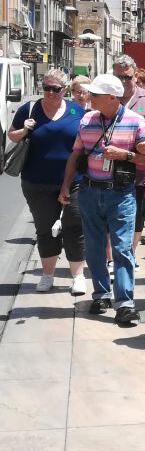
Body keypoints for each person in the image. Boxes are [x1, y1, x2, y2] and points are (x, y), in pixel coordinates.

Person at [59, 74, 145, 326]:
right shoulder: (88, 119)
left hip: (120, 193)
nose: (89, 98)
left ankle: (125, 303)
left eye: (95, 94)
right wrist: (66, 186)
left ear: (112, 97)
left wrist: (125, 154)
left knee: (122, 248)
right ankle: (101, 294)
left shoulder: (136, 122)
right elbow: (75, 155)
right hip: (90, 191)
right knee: (94, 245)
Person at [8, 68, 86, 294]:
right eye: (46, 88)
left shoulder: (76, 110)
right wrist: (25, 129)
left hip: (73, 181)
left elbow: (86, 140)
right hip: (36, 182)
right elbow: (12, 135)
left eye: (55, 89)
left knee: (74, 227)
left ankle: (78, 276)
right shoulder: (29, 108)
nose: (50, 93)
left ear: (64, 90)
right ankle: (47, 275)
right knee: (44, 229)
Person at [113, 55, 145, 255]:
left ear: (135, 75)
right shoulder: (107, 96)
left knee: (137, 216)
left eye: (128, 77)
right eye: (119, 77)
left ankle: (129, 254)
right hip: (110, 169)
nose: (124, 82)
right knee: (113, 215)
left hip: (141, 170)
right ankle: (113, 255)